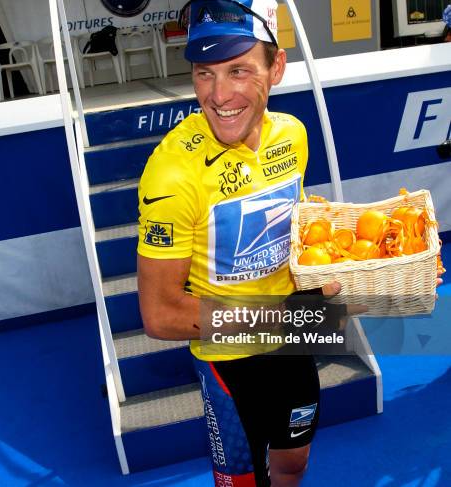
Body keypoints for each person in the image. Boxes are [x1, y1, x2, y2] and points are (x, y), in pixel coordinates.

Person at [136, 1, 443, 487]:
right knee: (241, 481)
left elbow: (297, 232)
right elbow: (159, 315)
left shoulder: (292, 135)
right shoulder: (172, 172)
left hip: (297, 332)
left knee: (294, 460)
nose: (218, 95)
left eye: (238, 70)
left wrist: (357, 258)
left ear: (276, 67)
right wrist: (286, 314)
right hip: (231, 355)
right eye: (203, 73)